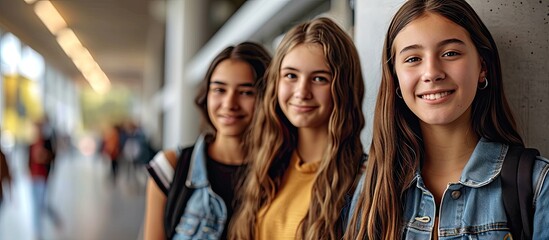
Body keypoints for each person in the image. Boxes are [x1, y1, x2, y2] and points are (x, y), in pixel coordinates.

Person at [344, 0, 549, 239]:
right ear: (395, 77)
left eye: (450, 53)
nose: (431, 73)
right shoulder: (373, 186)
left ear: (482, 67)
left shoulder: (538, 185)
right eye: (412, 59)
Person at [229, 17, 365, 240]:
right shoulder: (268, 166)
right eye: (291, 76)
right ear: (276, 82)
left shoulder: (362, 182)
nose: (302, 91)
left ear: (344, 88)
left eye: (319, 79)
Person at [143, 42, 271, 240]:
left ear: (266, 98)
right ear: (206, 95)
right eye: (220, 90)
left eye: (246, 92)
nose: (229, 104)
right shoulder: (171, 167)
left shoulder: (279, 171)